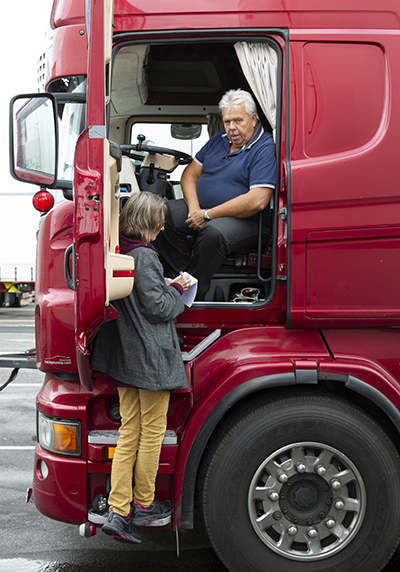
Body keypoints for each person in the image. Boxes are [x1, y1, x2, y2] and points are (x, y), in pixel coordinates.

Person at [91, 192, 191, 543]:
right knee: (151, 435)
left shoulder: (122, 251)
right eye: (158, 222)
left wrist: (161, 287)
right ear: (146, 223)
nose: (163, 227)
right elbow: (158, 308)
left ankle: (119, 511)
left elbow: (137, 297)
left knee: (128, 434)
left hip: (125, 359)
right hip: (149, 361)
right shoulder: (146, 257)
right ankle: (145, 503)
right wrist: (177, 289)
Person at [156, 88, 277, 300]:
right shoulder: (220, 138)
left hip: (249, 221)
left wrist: (208, 214)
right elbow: (190, 173)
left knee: (212, 233)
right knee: (159, 212)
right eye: (227, 121)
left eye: (238, 120)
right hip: (203, 210)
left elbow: (258, 200)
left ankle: (192, 293)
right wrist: (195, 209)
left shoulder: (265, 146)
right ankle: (183, 278)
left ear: (253, 119)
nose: (231, 128)